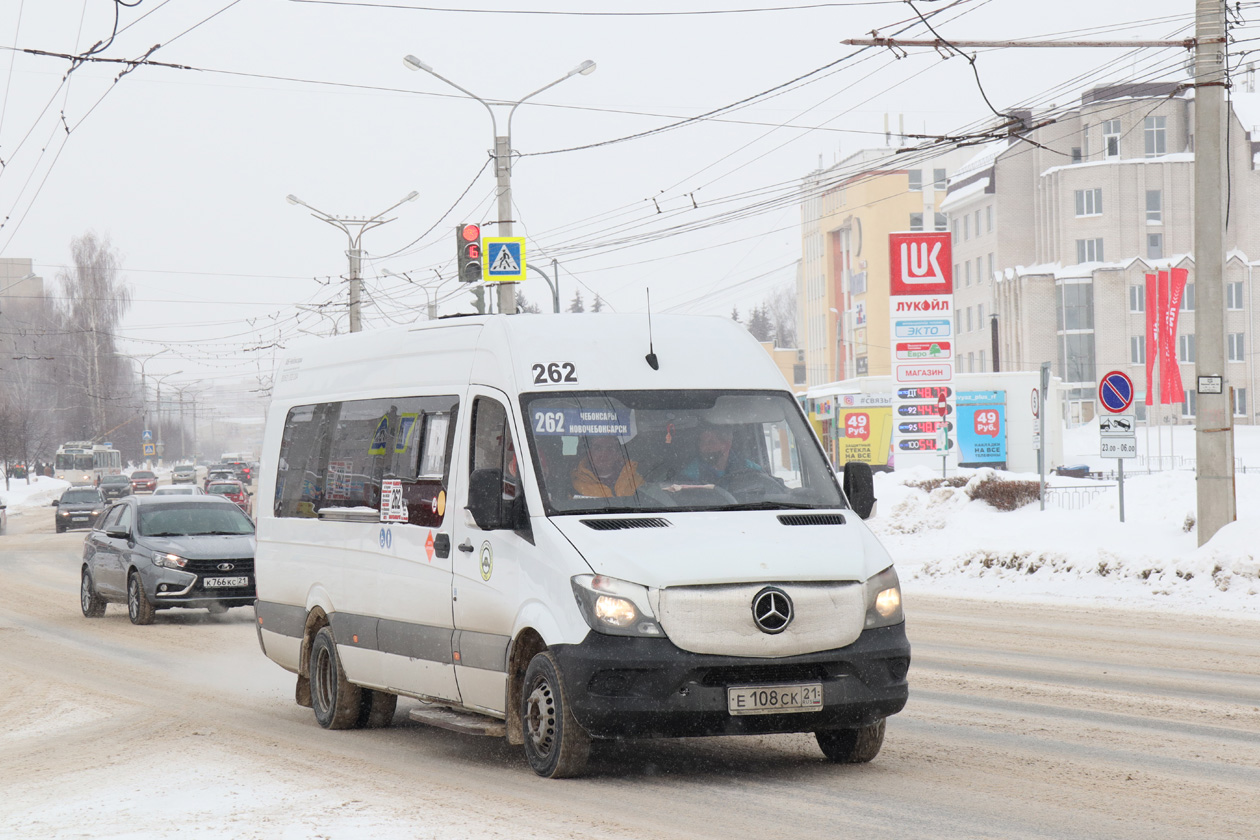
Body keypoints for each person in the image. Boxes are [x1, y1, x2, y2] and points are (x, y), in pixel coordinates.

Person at [674, 424, 761, 485]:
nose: (703, 447)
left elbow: (767, 484)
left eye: (711, 442)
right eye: (701, 442)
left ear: (727, 445)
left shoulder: (748, 467)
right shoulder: (691, 473)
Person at [571, 435, 644, 498]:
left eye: (610, 448)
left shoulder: (635, 481)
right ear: (589, 453)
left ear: (617, 454)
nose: (604, 454)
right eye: (598, 448)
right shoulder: (576, 485)